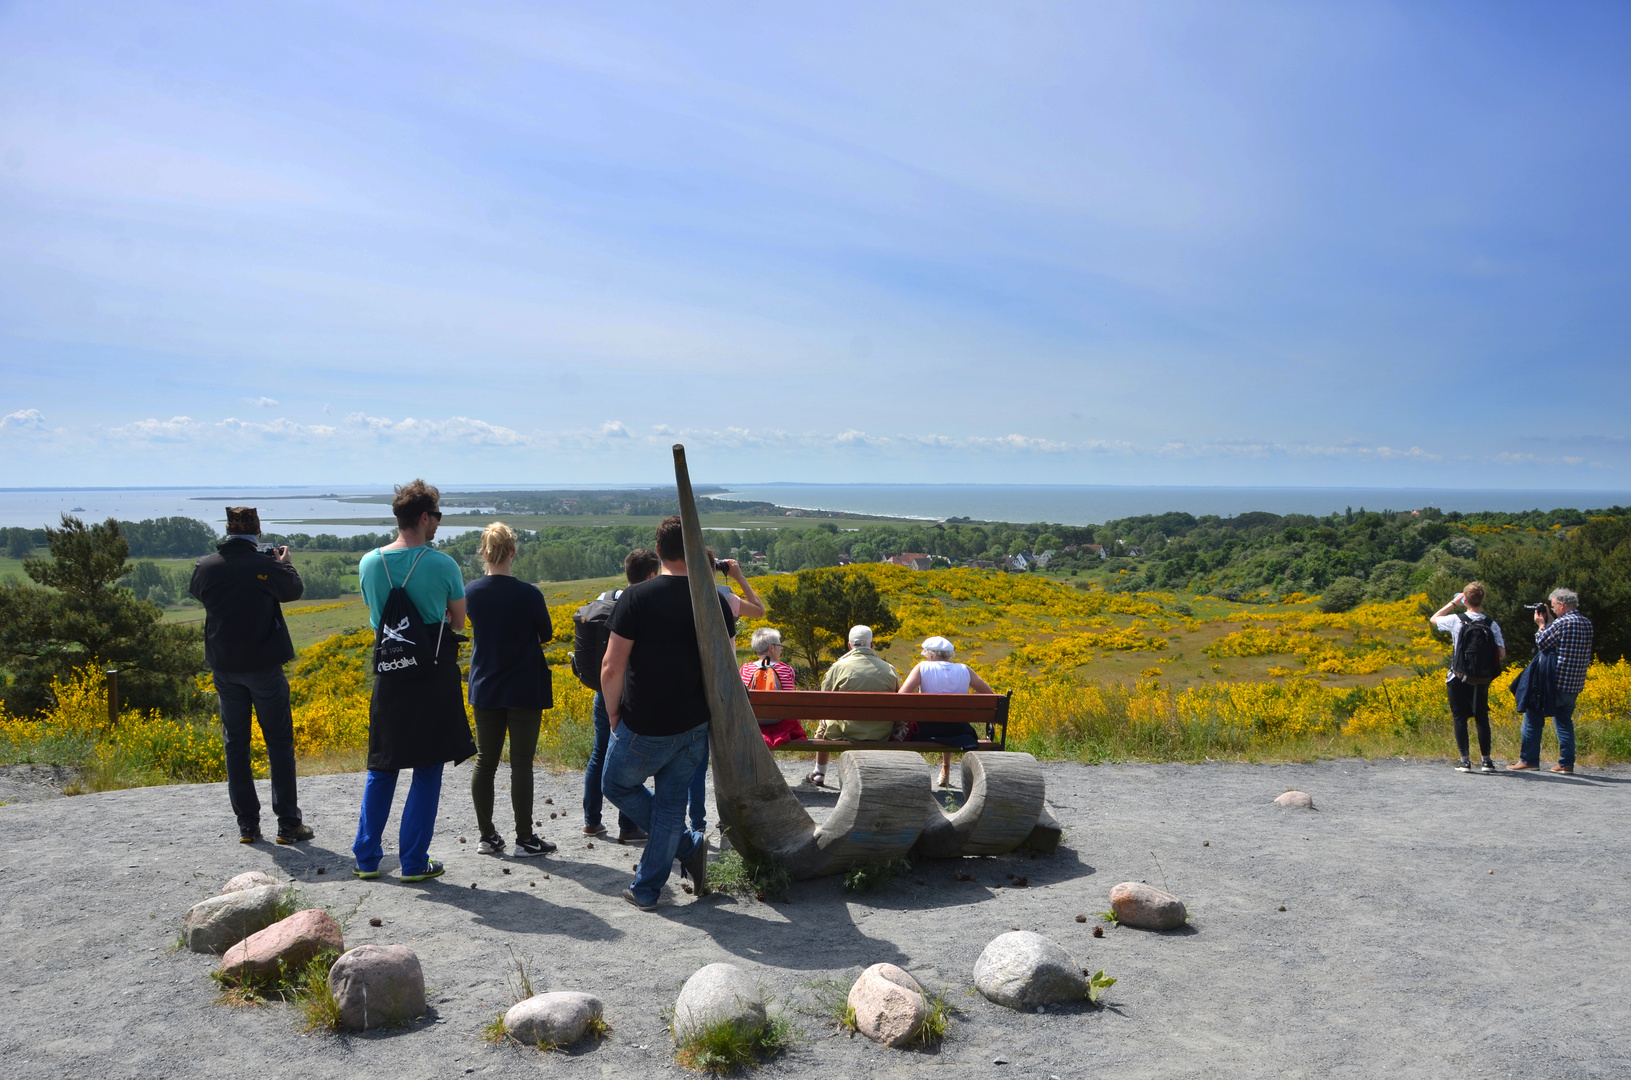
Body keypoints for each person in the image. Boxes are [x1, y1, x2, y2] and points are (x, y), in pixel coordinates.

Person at [599, 516, 734, 910]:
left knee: (615, 785)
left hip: (645, 723)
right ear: (694, 548)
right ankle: (649, 885)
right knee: (672, 806)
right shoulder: (714, 601)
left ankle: (686, 846)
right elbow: (725, 665)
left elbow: (611, 666)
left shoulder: (637, 597)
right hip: (694, 723)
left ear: (658, 552)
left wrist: (612, 713)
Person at [351, 480, 475, 882]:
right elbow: (458, 621)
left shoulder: (369, 563)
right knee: (426, 768)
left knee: (382, 766)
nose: (438, 523)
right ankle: (413, 862)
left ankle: (367, 858)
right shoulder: (443, 565)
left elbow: (376, 617)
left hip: (389, 673)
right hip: (431, 675)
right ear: (423, 517)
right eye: (437, 515)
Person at [187, 506, 312, 845]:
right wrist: (283, 562)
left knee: (236, 744)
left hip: (225, 667)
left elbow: (198, 592)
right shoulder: (265, 564)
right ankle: (288, 824)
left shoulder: (206, 566)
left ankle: (248, 826)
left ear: (228, 532)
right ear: (256, 532)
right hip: (264, 666)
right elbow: (293, 590)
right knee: (279, 743)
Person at [464, 522, 557, 858]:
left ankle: (487, 837)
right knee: (521, 763)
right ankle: (525, 838)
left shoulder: (470, 592)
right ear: (513, 552)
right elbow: (545, 634)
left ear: (484, 552)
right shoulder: (529, 594)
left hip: (485, 686)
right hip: (524, 686)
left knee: (485, 762)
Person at [580, 548, 658, 842]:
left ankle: (591, 821)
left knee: (600, 753)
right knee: (633, 761)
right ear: (651, 575)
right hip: (630, 694)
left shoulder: (609, 598)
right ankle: (628, 826)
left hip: (602, 690)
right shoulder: (642, 604)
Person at [685, 552, 761, 835]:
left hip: (693, 684)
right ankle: (730, 817)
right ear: (714, 568)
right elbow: (759, 609)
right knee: (729, 754)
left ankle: (697, 823)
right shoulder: (726, 598)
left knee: (696, 758)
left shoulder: (684, 597)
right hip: (727, 684)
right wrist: (737, 576)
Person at [1512, 587, 1595, 775]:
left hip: (1554, 681)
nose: (1554, 608)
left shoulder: (1563, 623)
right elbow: (1560, 637)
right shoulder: (1586, 622)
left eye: (1554, 605)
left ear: (1562, 605)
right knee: (1564, 720)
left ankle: (1529, 760)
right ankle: (1566, 763)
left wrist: (1541, 624)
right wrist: (1550, 618)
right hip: (1574, 682)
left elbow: (1543, 642)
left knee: (1533, 715)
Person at [806, 625, 900, 786]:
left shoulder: (838, 668)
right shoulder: (889, 669)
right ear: (872, 645)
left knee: (824, 718)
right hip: (881, 732)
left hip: (845, 730)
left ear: (849, 646)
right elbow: (900, 700)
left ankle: (819, 772)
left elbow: (823, 699)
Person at [1428, 582, 1506, 774]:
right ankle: (1486, 761)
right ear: (1482, 599)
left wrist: (1453, 603)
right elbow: (1502, 653)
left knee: (1459, 717)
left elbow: (1434, 619)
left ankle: (1465, 761)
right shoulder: (1491, 624)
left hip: (1458, 675)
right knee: (1481, 717)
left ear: (1465, 599)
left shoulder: (1457, 620)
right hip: (1482, 678)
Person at [900, 635, 995, 788]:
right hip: (960, 731)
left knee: (935, 720)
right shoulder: (965, 670)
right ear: (950, 655)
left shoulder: (922, 667)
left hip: (926, 731)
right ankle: (945, 769)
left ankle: (917, 774)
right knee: (949, 719)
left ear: (930, 655)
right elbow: (991, 696)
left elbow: (901, 697)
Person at [740, 628, 806, 747]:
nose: (781, 649)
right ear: (771, 647)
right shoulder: (786, 669)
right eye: (780, 645)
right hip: (778, 720)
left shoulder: (745, 669)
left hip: (752, 718)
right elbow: (789, 699)